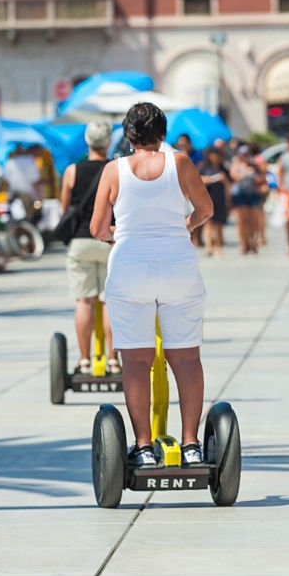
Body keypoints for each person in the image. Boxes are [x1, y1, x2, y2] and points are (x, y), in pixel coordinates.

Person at [90, 102, 214, 467]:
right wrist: (182, 227)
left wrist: (123, 235)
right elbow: (205, 209)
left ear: (128, 136)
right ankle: (190, 444)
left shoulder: (114, 170)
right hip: (177, 263)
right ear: (163, 134)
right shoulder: (181, 163)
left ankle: (143, 446)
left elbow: (98, 228)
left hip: (130, 267)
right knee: (187, 357)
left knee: (135, 361)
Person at [60, 122, 117, 374]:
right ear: (108, 142)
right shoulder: (115, 169)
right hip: (108, 240)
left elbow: (64, 210)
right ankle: (113, 360)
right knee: (109, 302)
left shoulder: (72, 171)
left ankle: (85, 360)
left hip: (81, 241)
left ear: (87, 140)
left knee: (84, 301)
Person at [199, 147, 232, 257]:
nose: (215, 158)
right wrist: (212, 179)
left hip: (220, 198)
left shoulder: (223, 168)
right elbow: (199, 180)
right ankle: (208, 246)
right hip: (207, 198)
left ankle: (218, 246)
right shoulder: (204, 167)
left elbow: (229, 185)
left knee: (218, 224)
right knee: (208, 223)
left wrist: (228, 200)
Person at [230, 145, 260, 255]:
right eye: (243, 154)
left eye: (247, 154)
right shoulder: (236, 164)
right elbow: (234, 176)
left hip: (252, 194)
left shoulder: (254, 165)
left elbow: (261, 178)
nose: (245, 156)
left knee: (252, 221)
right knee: (242, 221)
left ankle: (252, 241)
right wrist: (246, 173)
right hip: (240, 195)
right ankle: (243, 244)